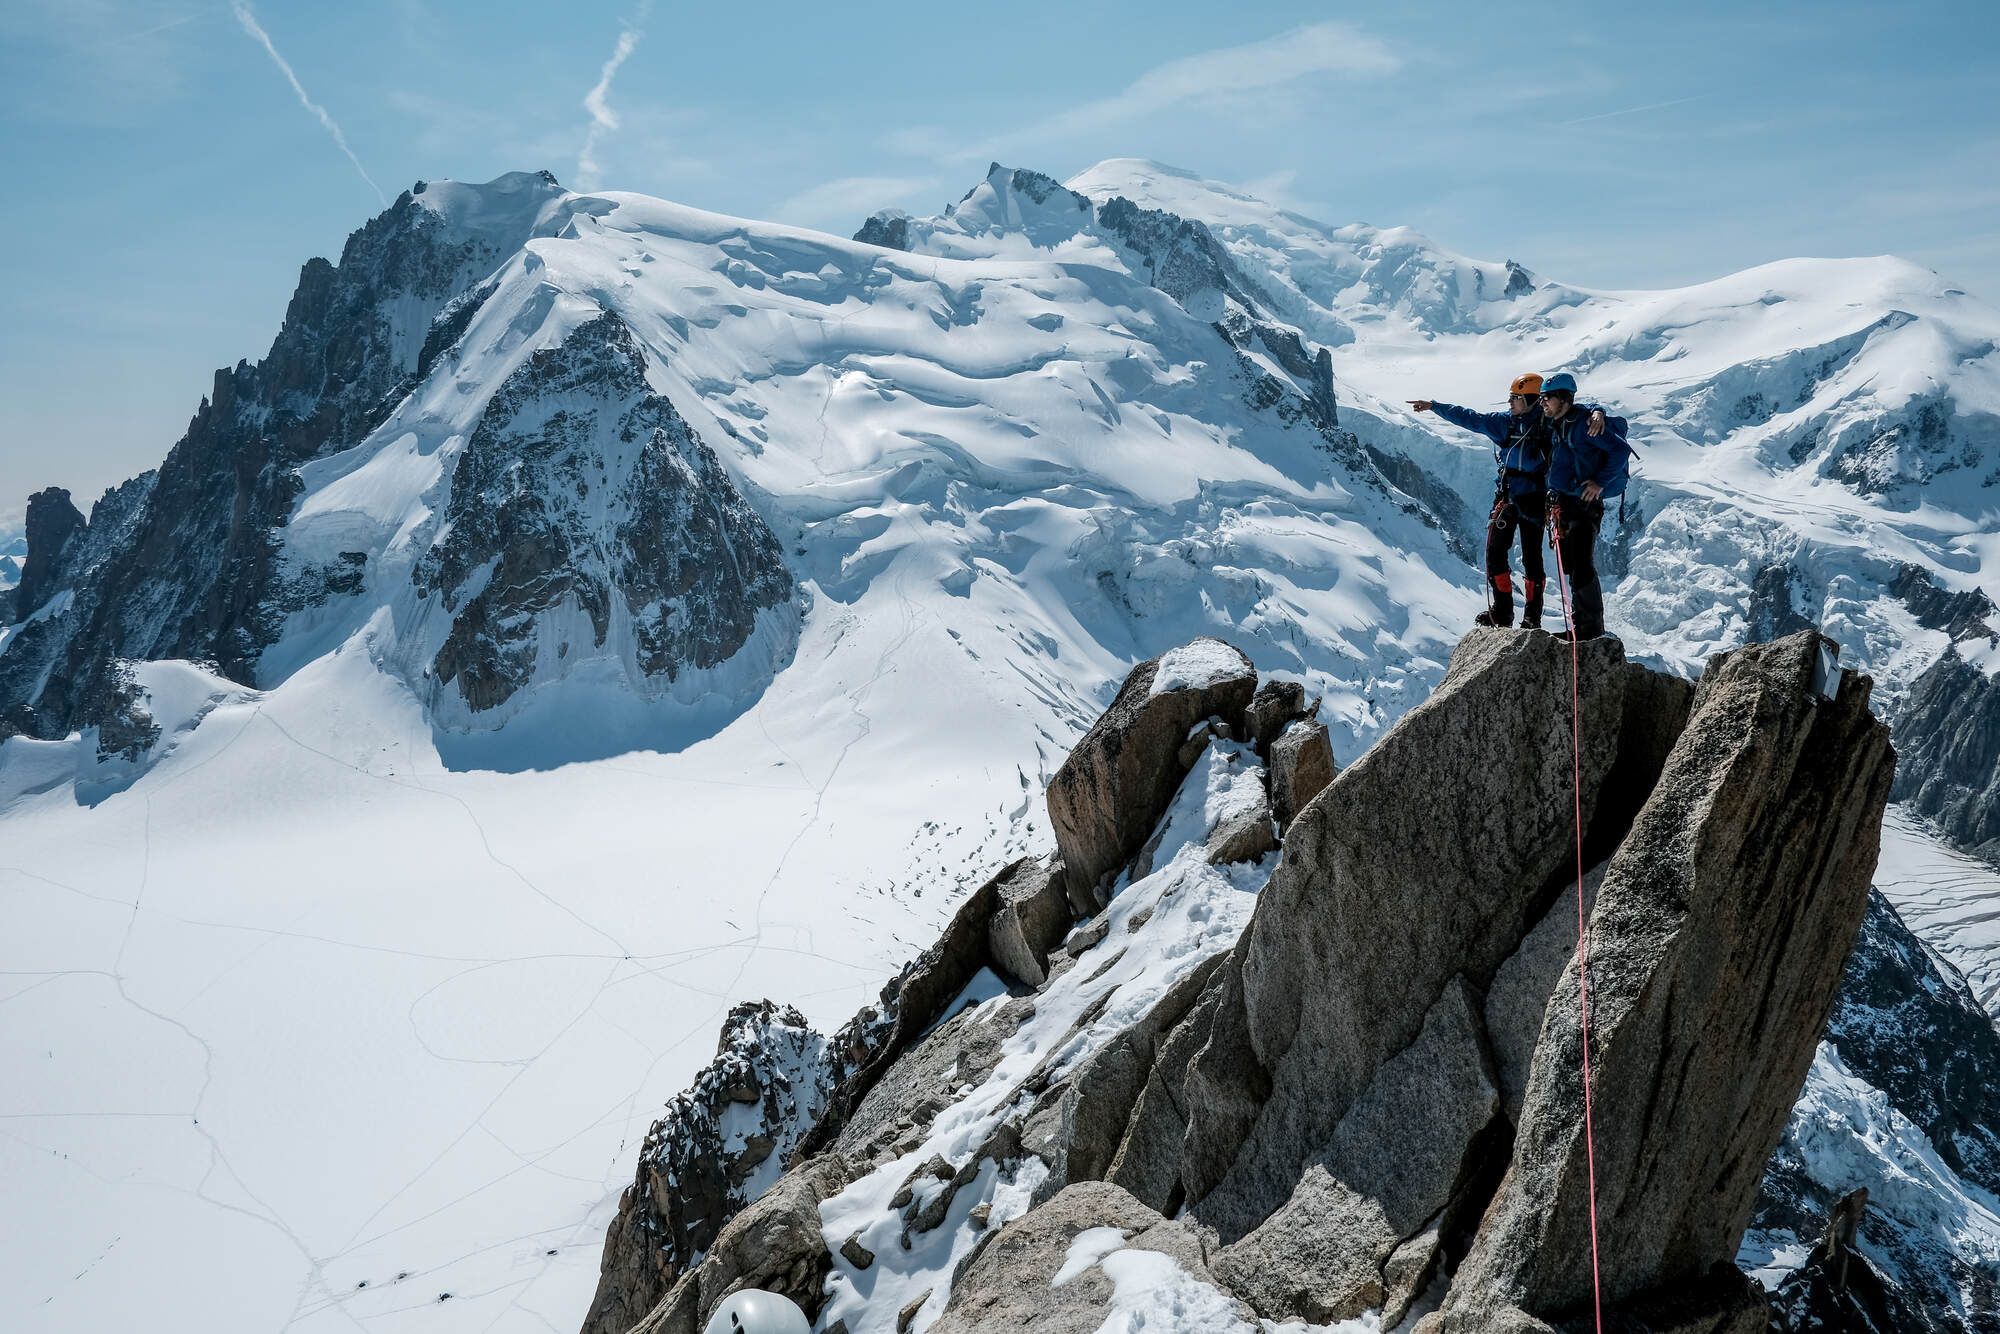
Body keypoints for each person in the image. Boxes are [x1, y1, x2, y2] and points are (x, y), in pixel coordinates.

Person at [1406, 374, 1556, 629]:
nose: (1509, 402)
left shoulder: (1548, 425)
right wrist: (1435, 406)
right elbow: (1469, 417)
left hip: (1533, 498)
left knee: (1532, 558)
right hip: (1511, 496)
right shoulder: (1506, 423)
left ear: (1531, 400)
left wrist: (1596, 412)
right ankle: (1504, 612)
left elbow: (1580, 417)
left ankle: (1531, 617)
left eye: (1515, 398)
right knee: (1496, 554)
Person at [1538, 371, 1631, 642]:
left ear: (1563, 399)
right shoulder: (1561, 422)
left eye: (1547, 398)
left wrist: (1599, 483)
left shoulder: (1583, 426)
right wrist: (1597, 409)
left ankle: (1590, 628)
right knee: (1572, 563)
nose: (1543, 402)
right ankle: (1582, 626)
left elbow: (1620, 450)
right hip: (1566, 502)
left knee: (1580, 563)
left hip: (1584, 503)